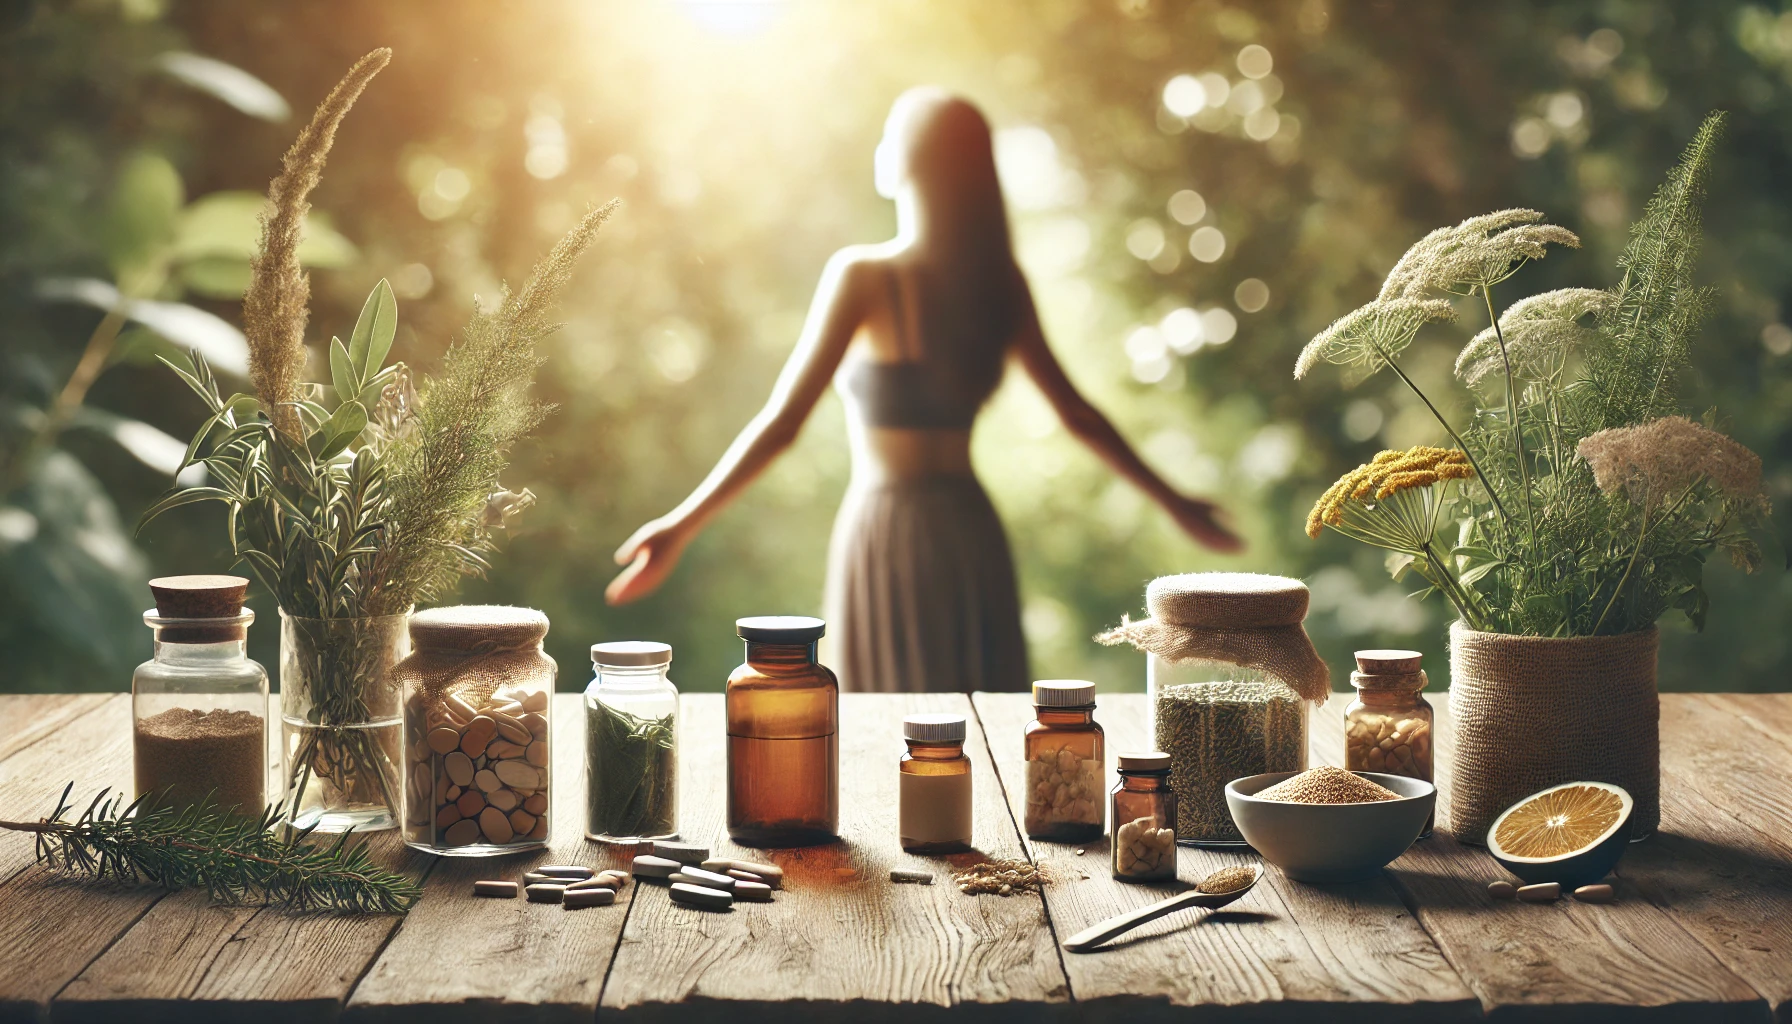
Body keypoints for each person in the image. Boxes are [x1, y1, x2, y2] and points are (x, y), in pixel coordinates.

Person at [606, 87, 1242, 693]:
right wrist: (1177, 502)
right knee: (977, 719)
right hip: (968, 531)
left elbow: (783, 423)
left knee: (887, 725)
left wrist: (680, 525)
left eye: (889, 136)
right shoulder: (997, 282)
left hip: (886, 528)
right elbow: (1078, 415)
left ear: (908, 158)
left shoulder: (865, 275)